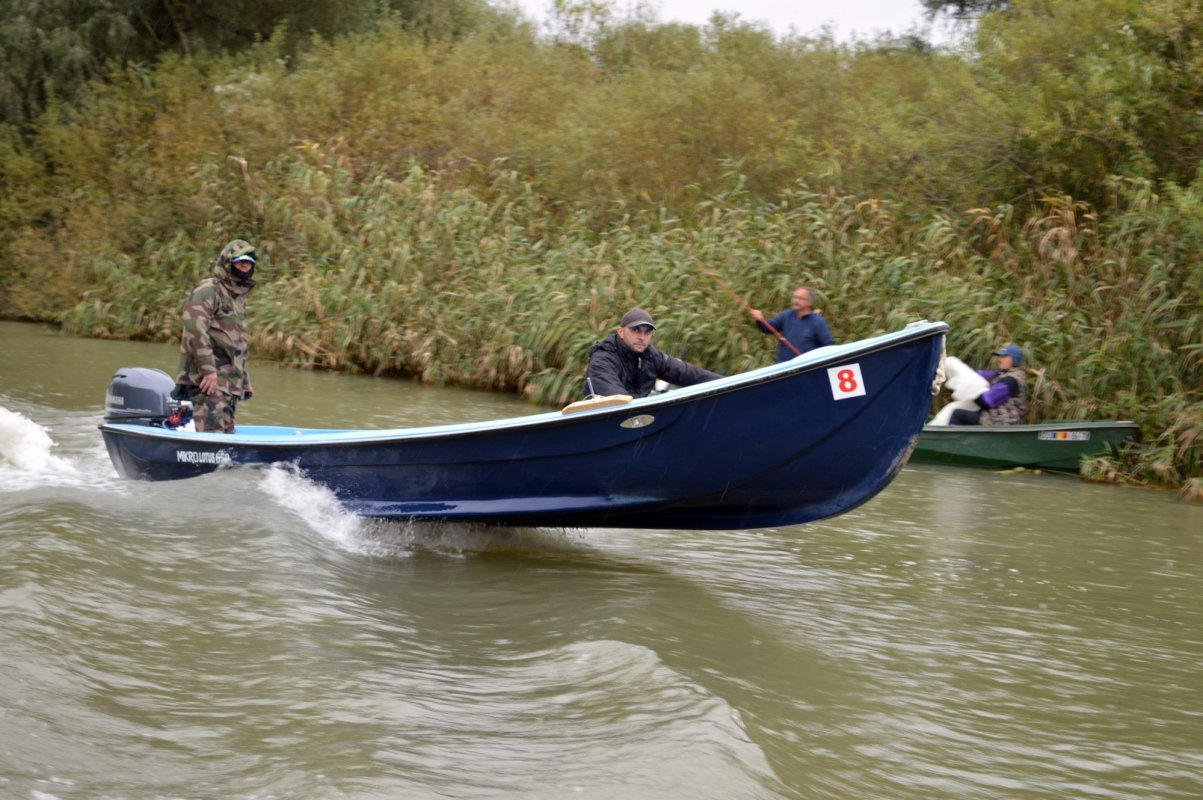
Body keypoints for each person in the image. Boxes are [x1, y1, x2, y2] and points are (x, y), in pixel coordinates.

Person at [172, 239, 259, 433]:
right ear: (228, 263)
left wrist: (243, 379)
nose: (244, 266)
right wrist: (208, 370)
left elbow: (238, 342)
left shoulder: (238, 297)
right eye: (239, 262)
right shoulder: (209, 290)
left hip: (229, 382)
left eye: (249, 262)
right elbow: (195, 329)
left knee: (226, 434)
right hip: (208, 379)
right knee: (213, 436)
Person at [584, 308, 723, 398]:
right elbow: (617, 398)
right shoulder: (602, 359)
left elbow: (689, 374)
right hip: (604, 423)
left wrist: (726, 384)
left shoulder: (650, 356)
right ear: (621, 332)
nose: (642, 337)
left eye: (647, 332)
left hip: (638, 419)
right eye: (636, 330)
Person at [948, 343, 1028, 426]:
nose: (1000, 359)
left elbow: (987, 402)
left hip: (1004, 423)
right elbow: (981, 374)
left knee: (957, 415)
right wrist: (960, 370)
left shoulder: (1011, 381)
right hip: (995, 418)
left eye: (1004, 356)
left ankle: (952, 435)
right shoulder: (1002, 373)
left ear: (1014, 359)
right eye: (1000, 356)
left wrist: (971, 393)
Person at [749, 286, 835, 363]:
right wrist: (760, 319)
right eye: (795, 297)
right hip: (784, 366)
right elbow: (768, 328)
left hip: (807, 367)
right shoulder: (786, 316)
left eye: (800, 298)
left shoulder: (817, 321)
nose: (795, 301)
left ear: (810, 302)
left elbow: (828, 346)